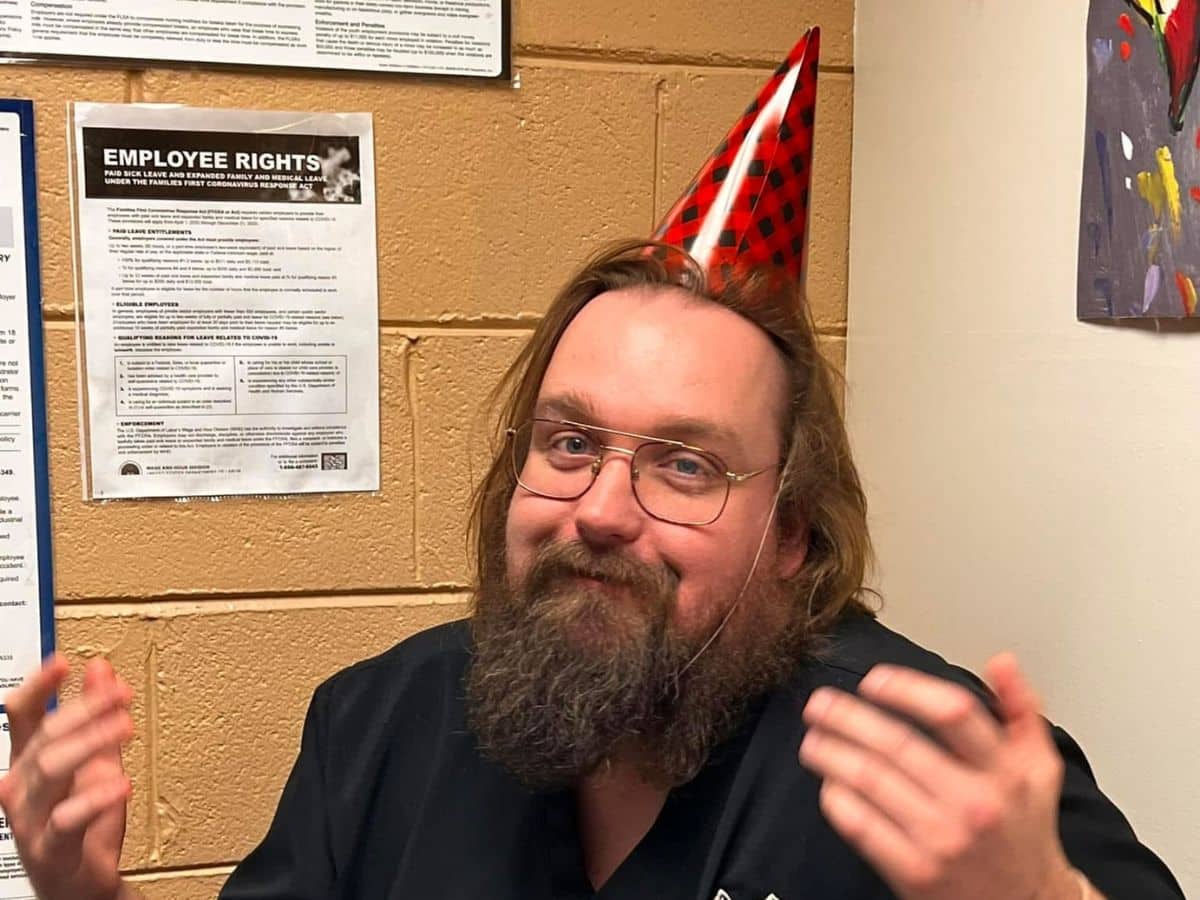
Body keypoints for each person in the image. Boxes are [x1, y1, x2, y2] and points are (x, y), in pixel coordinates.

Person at [0, 32, 1186, 900]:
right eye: (569, 443)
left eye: (685, 465)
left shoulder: (935, 763)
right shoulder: (378, 726)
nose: (601, 510)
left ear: (792, 534)